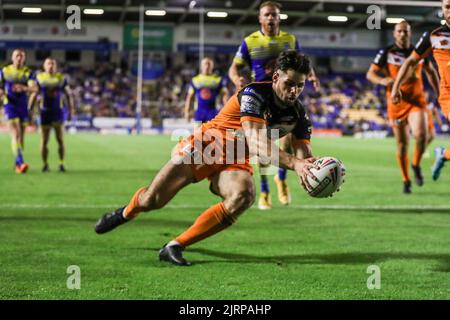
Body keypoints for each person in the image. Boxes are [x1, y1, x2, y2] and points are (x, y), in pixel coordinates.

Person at [95, 50, 318, 266]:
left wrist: (313, 174)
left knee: (244, 195)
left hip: (234, 160)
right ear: (276, 77)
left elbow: (304, 156)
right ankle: (126, 213)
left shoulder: (299, 115)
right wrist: (295, 163)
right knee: (152, 201)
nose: (294, 91)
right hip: (206, 146)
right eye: (290, 83)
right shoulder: (254, 94)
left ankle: (175, 245)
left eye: (300, 85)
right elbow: (256, 140)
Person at [229, 1, 320, 209]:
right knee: (263, 146)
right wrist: (237, 80)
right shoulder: (249, 41)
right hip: (263, 101)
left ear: (279, 18)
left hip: (287, 96)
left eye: (274, 15)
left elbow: (301, 63)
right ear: (260, 19)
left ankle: (281, 179)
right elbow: (234, 68)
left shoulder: (289, 39)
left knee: (290, 140)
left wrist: (312, 76)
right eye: (267, 15)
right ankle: (264, 190)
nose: (271, 18)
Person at [366, 21, 440, 194]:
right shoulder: (386, 52)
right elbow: (370, 73)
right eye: (399, 31)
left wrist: (439, 92)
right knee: (402, 144)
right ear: (394, 33)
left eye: (405, 31)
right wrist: (382, 80)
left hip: (417, 101)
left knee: (422, 135)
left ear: (410, 33)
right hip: (396, 103)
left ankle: (415, 164)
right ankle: (406, 180)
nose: (402, 34)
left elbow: (431, 72)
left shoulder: (419, 51)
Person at [391, 0, 450, 182]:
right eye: (448, 6)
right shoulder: (434, 36)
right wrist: (395, 87)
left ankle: (443, 154)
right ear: (442, 9)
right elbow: (410, 62)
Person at [28, 57, 75, 172]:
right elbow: (34, 94)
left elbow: (69, 95)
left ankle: (61, 163)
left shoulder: (61, 78)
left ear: (56, 66)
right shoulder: (39, 78)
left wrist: (71, 110)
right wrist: (30, 109)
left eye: (53, 64)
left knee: (60, 140)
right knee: (44, 141)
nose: (51, 66)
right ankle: (45, 164)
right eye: (48, 64)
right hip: (45, 113)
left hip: (58, 112)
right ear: (44, 66)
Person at [0, 49, 35, 174]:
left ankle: (17, 164)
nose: (19, 58)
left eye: (21, 56)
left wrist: (24, 87)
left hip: (22, 106)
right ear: (12, 57)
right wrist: (1, 92)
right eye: (17, 56)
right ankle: (20, 161)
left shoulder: (28, 72)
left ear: (24, 58)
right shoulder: (5, 71)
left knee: (21, 137)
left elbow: (34, 88)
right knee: (15, 134)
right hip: (9, 104)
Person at [184, 57, 229, 124]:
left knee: (212, 134)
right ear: (201, 66)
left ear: (212, 66)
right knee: (198, 134)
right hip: (199, 112)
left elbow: (224, 95)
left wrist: (227, 111)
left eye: (209, 64)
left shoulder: (218, 80)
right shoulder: (195, 80)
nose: (207, 66)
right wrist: (187, 111)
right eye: (205, 64)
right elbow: (189, 97)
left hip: (213, 112)